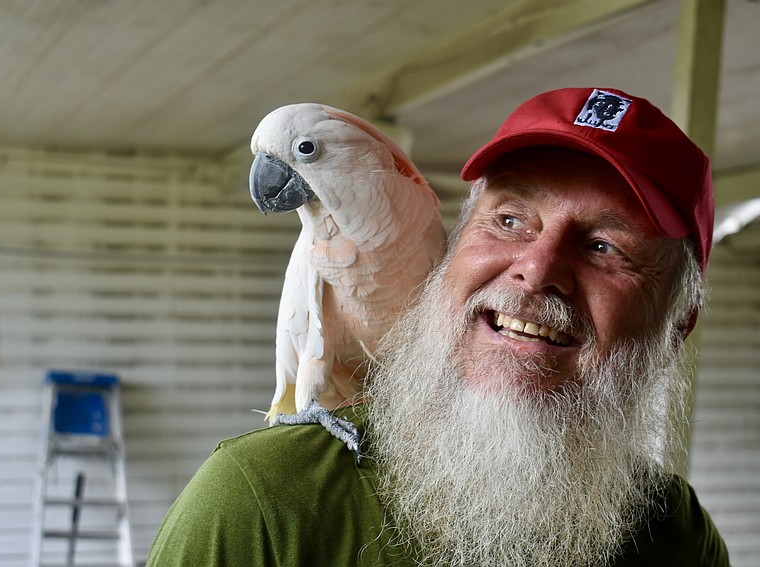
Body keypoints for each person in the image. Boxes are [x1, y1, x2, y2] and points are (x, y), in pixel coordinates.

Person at [146, 87, 730, 566]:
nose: (537, 271)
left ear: (677, 326)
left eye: (604, 246)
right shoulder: (258, 501)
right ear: (452, 255)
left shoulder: (677, 534)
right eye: (508, 219)